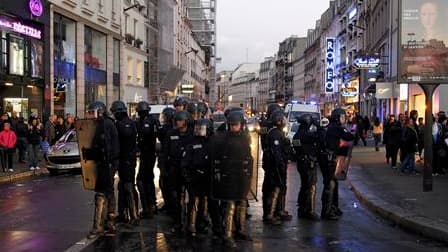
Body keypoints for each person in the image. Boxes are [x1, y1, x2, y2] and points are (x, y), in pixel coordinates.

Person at [209, 111, 253, 248]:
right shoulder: (222, 139)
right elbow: (216, 158)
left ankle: (240, 230)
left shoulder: (245, 138)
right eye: (232, 125)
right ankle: (227, 235)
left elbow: (249, 157)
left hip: (241, 176)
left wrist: (248, 173)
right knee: (230, 206)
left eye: (236, 125)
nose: (234, 127)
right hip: (228, 176)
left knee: (242, 204)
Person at [84, 101, 120, 239]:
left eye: (92, 112)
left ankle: (98, 227)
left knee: (101, 194)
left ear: (100, 111)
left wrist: (91, 154)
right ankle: (109, 223)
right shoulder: (105, 123)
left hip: (107, 163)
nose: (91, 115)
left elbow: (104, 147)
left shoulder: (104, 124)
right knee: (109, 193)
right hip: (108, 163)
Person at [159, 110, 194, 233]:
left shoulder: (192, 135)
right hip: (174, 169)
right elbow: (164, 152)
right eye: (177, 120)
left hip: (189, 170)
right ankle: (177, 222)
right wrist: (163, 169)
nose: (178, 122)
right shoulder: (171, 134)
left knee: (192, 198)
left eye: (180, 120)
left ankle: (191, 222)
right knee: (175, 198)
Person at [320, 108, 354, 220]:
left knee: (332, 183)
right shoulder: (337, 128)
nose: (344, 119)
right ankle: (327, 211)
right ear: (337, 118)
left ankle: (333, 208)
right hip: (330, 159)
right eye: (342, 117)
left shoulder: (330, 127)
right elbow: (349, 137)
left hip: (327, 158)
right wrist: (353, 129)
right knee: (330, 185)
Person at [110, 101, 139, 226]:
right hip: (122, 159)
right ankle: (122, 214)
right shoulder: (122, 123)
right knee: (122, 186)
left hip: (128, 159)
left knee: (128, 187)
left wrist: (116, 125)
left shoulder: (127, 124)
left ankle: (134, 216)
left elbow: (126, 135)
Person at [262, 110, 293, 225]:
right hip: (274, 168)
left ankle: (277, 212)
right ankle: (269, 215)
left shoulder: (278, 132)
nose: (285, 121)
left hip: (278, 167)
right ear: (279, 121)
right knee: (273, 190)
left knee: (279, 189)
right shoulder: (275, 133)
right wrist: (279, 166)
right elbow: (276, 153)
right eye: (284, 119)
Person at [293, 114, 320, 220]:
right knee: (311, 186)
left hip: (301, 163)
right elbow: (321, 136)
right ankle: (309, 210)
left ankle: (302, 208)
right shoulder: (307, 135)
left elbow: (297, 148)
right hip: (308, 163)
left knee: (304, 186)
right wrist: (318, 125)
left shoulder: (297, 135)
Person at [135, 101, 159, 219]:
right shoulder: (143, 121)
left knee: (142, 180)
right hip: (147, 153)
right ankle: (152, 205)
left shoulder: (150, 121)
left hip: (148, 153)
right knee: (148, 180)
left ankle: (147, 208)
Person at [157, 107, 176, 213]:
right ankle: (169, 204)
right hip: (167, 158)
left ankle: (170, 205)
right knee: (165, 183)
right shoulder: (170, 128)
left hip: (168, 158)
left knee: (166, 183)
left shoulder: (167, 129)